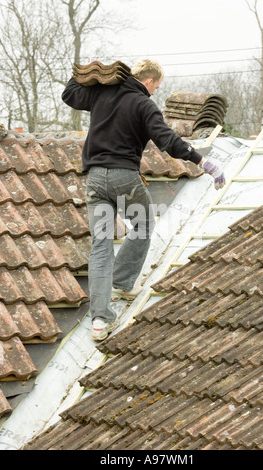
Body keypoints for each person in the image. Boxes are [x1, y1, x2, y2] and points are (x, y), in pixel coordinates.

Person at [62, 58, 225, 341]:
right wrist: (202, 161)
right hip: (124, 178)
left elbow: (70, 95)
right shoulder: (143, 103)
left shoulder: (101, 93)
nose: (154, 92)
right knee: (144, 223)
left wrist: (84, 73)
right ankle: (122, 281)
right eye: (156, 87)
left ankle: (100, 321)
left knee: (100, 245)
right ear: (149, 82)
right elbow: (167, 141)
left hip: (95, 179)